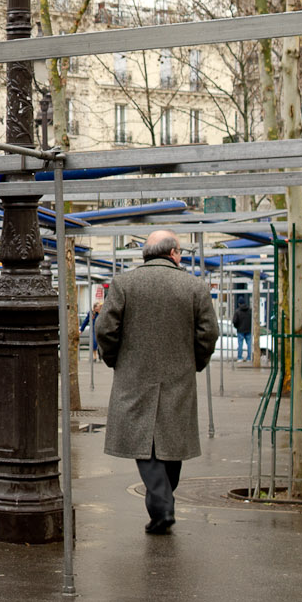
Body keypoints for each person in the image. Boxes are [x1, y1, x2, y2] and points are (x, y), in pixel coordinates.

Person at [96, 229, 218, 535]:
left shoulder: (124, 284)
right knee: (171, 444)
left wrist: (115, 361)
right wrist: (196, 363)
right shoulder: (194, 286)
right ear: (175, 253)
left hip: (134, 377)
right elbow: (209, 333)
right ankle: (163, 505)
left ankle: (162, 506)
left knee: (144, 443)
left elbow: (105, 329)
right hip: (179, 377)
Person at [233, 298, 253, 362]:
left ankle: (240, 358)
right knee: (249, 344)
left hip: (240, 330)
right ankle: (249, 358)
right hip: (248, 330)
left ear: (239, 303)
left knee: (240, 344)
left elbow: (234, 321)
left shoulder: (237, 311)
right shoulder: (250, 310)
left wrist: (237, 327)